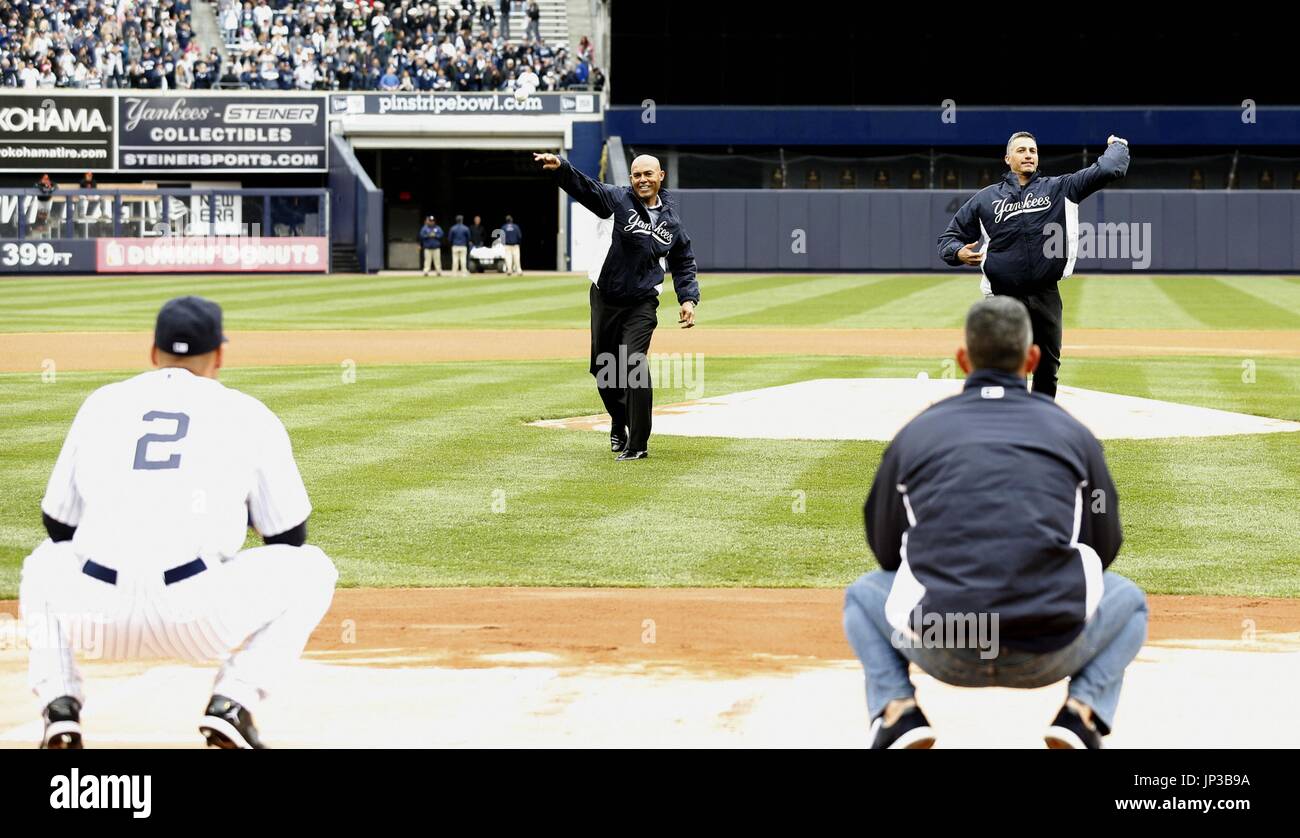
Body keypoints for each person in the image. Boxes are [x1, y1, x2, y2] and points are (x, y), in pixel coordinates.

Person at [20, 297, 338, 749]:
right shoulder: (248, 413)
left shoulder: (102, 404)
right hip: (199, 619)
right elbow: (289, 538)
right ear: (219, 355)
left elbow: (57, 526)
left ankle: (60, 707)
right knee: (314, 568)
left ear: (154, 352)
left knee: (42, 563)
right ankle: (233, 702)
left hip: (98, 619)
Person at [842, 296, 1147, 749]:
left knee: (863, 594)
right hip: (1047, 649)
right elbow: (1106, 546)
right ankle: (1081, 713)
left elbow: (885, 550)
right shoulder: (1074, 434)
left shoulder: (916, 434)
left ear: (962, 359)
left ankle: (898, 711)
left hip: (945, 646)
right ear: (1033, 359)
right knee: (1130, 599)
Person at [938, 133, 1130, 400]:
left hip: (1045, 295)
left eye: (1033, 150)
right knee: (1006, 365)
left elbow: (1109, 169)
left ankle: (1040, 416)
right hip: (1003, 297)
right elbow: (948, 239)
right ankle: (1007, 416)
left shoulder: (1060, 188)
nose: (1028, 154)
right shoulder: (986, 199)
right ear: (1007, 159)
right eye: (1021, 150)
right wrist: (957, 252)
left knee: (1047, 368)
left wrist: (1118, 145)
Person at [535, 152, 699, 461]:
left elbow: (683, 260)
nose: (642, 180)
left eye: (648, 174)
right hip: (605, 297)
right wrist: (562, 169)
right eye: (637, 175)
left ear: (661, 176)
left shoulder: (671, 222)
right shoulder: (616, 200)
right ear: (631, 178)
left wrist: (688, 298)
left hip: (642, 302)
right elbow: (586, 187)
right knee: (603, 369)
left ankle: (638, 443)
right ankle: (618, 420)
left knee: (634, 362)